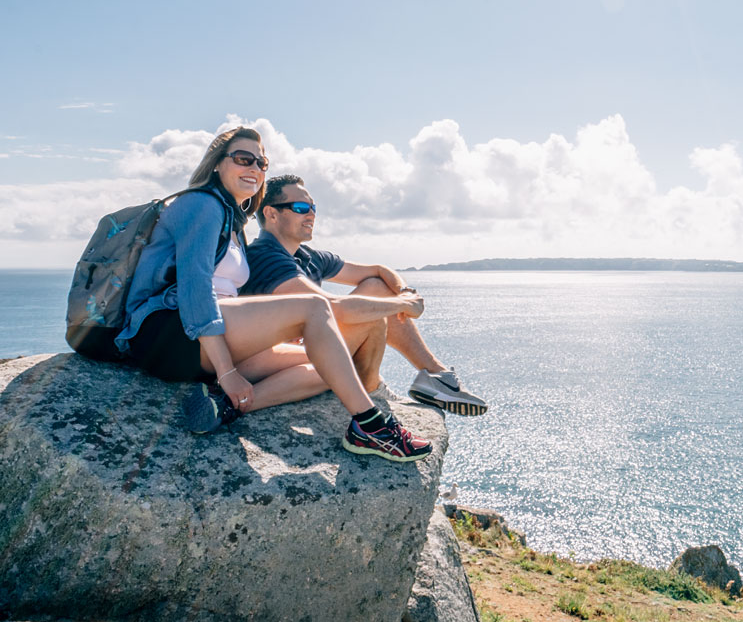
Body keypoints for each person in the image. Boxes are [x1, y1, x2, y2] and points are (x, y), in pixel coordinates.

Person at [115, 127, 432, 462]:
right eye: (243, 159)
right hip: (167, 332)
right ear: (217, 164)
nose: (254, 168)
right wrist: (228, 372)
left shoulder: (231, 220)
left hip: (200, 340)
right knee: (313, 307)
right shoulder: (201, 205)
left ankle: (224, 408)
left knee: (333, 362)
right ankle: (372, 427)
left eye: (261, 162)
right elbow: (196, 292)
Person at [240, 174, 488, 416]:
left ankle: (436, 376)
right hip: (261, 363)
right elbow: (332, 307)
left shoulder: (306, 256)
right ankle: (373, 388)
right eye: (302, 207)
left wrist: (403, 292)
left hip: (299, 354)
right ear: (271, 213)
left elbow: (378, 271)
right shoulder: (266, 256)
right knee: (370, 314)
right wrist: (401, 304)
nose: (312, 214)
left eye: (313, 207)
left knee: (377, 288)